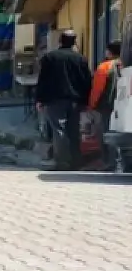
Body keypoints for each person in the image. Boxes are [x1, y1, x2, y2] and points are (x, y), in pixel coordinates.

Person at [35, 30, 93, 170]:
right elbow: (87, 81)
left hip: (54, 100)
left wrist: (39, 99)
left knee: (59, 130)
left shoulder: (50, 57)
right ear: (74, 42)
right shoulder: (81, 59)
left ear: (60, 41)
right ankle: (76, 161)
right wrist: (86, 101)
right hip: (76, 101)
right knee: (74, 131)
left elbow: (43, 80)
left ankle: (62, 162)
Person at [88, 40, 122, 168]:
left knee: (106, 134)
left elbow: (97, 89)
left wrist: (91, 105)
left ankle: (110, 162)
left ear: (110, 51)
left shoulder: (104, 67)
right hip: (125, 106)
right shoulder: (126, 65)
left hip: (107, 107)